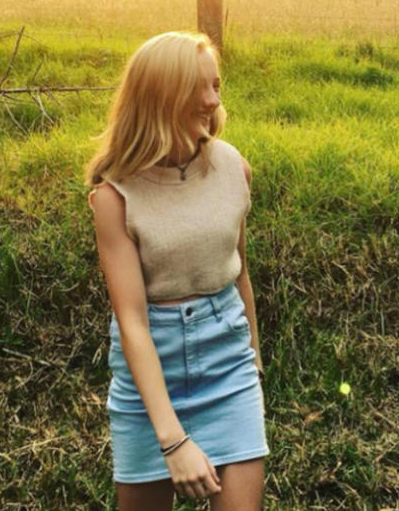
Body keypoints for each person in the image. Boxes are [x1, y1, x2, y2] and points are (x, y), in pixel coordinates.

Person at [84, 31, 267, 510]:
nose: (212, 101)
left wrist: (255, 358)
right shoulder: (114, 196)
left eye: (217, 86)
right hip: (151, 373)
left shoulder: (232, 168)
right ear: (160, 96)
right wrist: (172, 440)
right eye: (198, 88)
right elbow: (132, 321)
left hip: (228, 364)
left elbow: (239, 269)